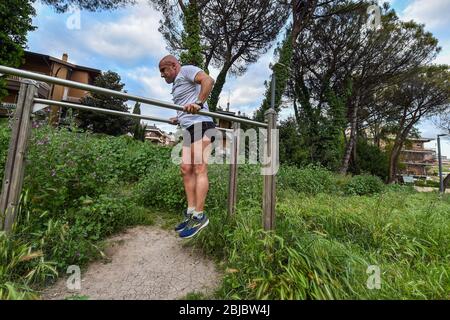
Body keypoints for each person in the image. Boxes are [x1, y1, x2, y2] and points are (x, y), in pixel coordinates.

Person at [159, 55, 216, 239]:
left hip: (203, 125)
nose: (162, 75)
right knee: (185, 168)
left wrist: (199, 103)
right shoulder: (177, 84)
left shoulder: (187, 70)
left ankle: (200, 216)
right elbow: (186, 103)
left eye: (163, 70)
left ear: (174, 66)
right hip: (189, 128)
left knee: (200, 168)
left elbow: (208, 80)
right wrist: (180, 117)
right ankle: (191, 212)